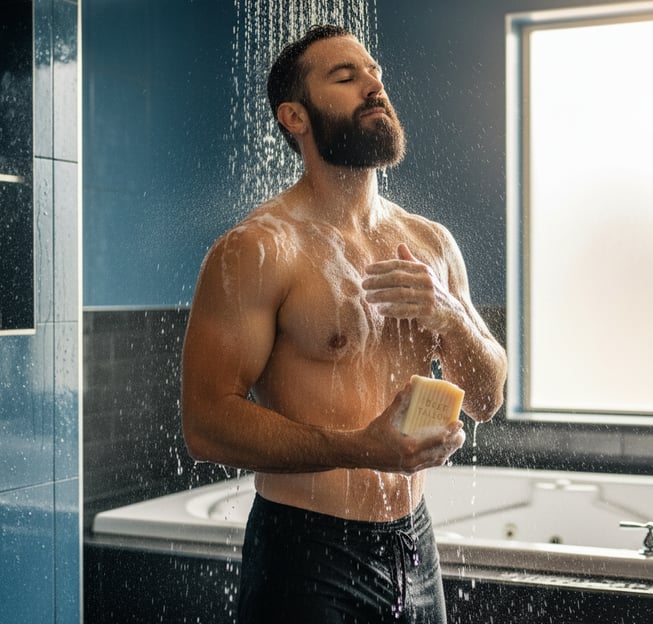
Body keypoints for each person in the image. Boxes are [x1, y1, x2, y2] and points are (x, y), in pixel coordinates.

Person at [181, 24, 507, 624]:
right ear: (295, 117)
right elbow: (205, 425)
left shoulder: (429, 242)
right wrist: (360, 449)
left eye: (374, 72)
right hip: (307, 551)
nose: (373, 85)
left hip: (414, 545)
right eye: (345, 76)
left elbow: (487, 397)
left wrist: (452, 319)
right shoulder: (259, 249)